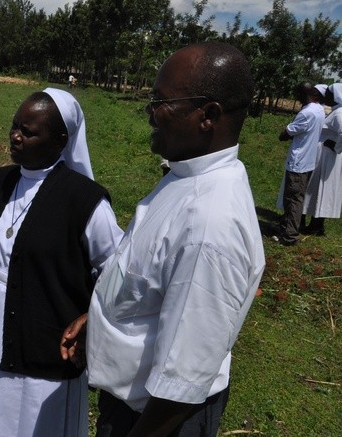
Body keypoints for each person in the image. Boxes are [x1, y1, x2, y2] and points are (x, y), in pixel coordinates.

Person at [61, 42, 266, 436]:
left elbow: (181, 381)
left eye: (161, 101)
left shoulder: (209, 225)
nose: (150, 112)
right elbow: (152, 278)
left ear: (208, 115)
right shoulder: (186, 176)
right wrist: (104, 317)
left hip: (157, 419)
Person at [0, 88, 122, 436]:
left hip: (50, 330)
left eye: (28, 131)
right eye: (15, 126)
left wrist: (92, 316)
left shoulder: (85, 200)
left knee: (37, 414)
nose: (15, 136)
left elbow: (117, 269)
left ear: (60, 140)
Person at [272, 82, 325, 245]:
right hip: (308, 162)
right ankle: (288, 227)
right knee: (297, 197)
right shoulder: (319, 109)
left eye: (297, 94)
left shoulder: (306, 113)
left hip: (298, 162)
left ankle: (289, 236)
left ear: (303, 94)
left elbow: (286, 134)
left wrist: (285, 132)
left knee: (293, 199)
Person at [302, 83, 342, 236]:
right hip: (326, 155)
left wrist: (336, 146)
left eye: (329, 94)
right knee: (319, 189)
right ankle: (316, 224)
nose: (327, 97)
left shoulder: (339, 114)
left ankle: (316, 225)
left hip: (328, 156)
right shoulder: (336, 111)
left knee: (320, 188)